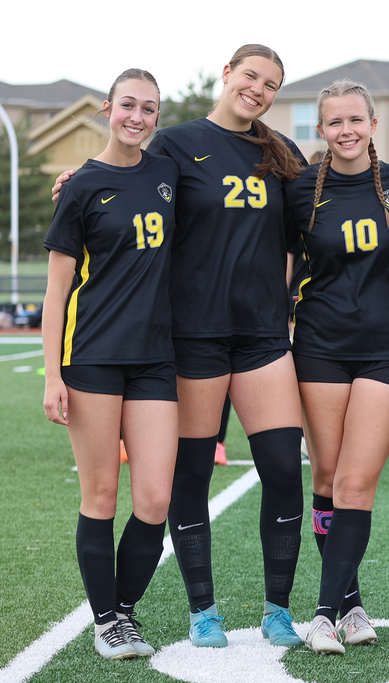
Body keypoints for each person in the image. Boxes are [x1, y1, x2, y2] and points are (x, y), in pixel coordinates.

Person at [54, 44, 312, 648]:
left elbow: (320, 211)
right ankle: (204, 611)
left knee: (283, 471)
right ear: (227, 74)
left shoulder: (283, 152)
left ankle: (278, 610)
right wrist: (74, 181)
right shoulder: (173, 144)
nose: (258, 89)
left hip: (262, 336)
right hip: (192, 336)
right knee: (189, 475)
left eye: (271, 84)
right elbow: (123, 178)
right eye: (250, 75)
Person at [286, 80, 389, 654]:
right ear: (321, 129)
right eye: (334, 122)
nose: (345, 130)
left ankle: (322, 615)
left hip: (386, 347)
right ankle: (350, 605)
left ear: (373, 124)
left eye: (355, 120)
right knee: (326, 481)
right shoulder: (298, 189)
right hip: (319, 345)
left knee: (355, 481)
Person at [42, 69, 178, 660]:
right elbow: (56, 292)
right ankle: (108, 622)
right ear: (107, 108)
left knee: (154, 500)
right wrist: (53, 374)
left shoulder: (169, 173)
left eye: (148, 108)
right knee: (100, 493)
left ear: (157, 116)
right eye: (128, 105)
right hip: (92, 356)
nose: (137, 117)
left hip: (154, 359)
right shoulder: (81, 186)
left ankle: (122, 609)